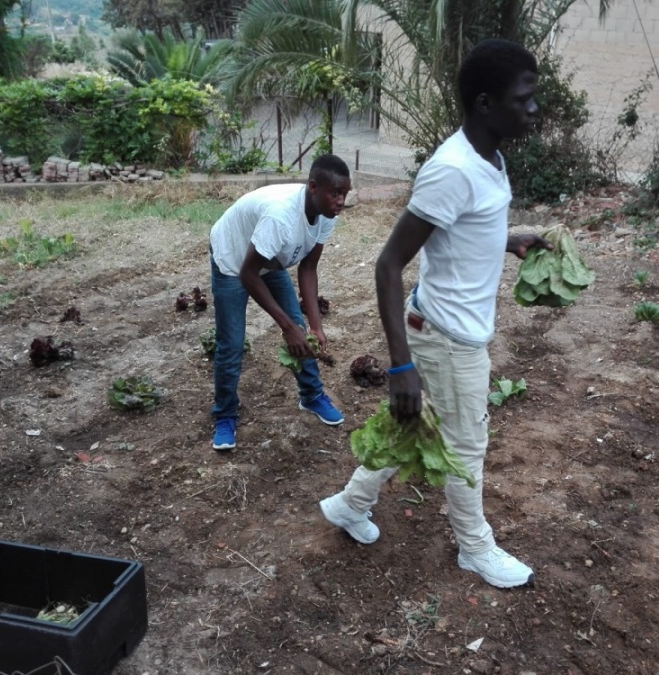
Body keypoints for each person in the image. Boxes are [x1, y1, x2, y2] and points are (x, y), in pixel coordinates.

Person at [319, 39, 552, 589]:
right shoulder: (451, 169)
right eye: (526, 97)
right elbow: (388, 264)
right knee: (465, 444)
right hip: (449, 338)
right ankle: (475, 548)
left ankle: (350, 505)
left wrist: (507, 239)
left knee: (411, 431)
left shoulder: (490, 158)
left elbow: (462, 230)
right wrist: (401, 367)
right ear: (487, 103)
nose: (535, 108)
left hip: (446, 327)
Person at [208, 154, 351, 451]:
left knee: (301, 331)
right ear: (313, 187)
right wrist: (286, 327)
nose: (341, 201)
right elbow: (248, 274)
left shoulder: (325, 215)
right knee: (232, 343)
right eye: (335, 193)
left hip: (267, 259)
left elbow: (308, 268)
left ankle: (311, 396)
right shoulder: (281, 216)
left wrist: (314, 326)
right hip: (234, 260)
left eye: (345, 194)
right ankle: (225, 415)